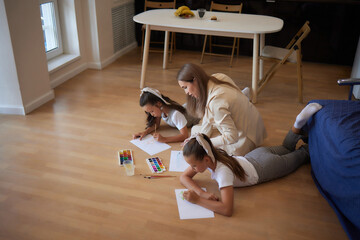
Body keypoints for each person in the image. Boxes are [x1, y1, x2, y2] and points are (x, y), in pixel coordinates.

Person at [180, 103, 323, 216]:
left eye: (193, 166)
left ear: (205, 159)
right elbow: (184, 177)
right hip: (256, 154)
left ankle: (311, 135)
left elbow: (227, 210)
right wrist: (201, 192)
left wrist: (198, 200)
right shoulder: (212, 153)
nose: (192, 169)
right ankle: (297, 124)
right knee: (286, 148)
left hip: (266, 167)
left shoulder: (222, 173)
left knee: (304, 154)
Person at [177, 63, 266, 156]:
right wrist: (198, 139)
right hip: (253, 124)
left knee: (209, 150)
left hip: (247, 137)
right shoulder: (217, 77)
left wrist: (204, 143)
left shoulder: (216, 102)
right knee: (195, 131)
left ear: (195, 80)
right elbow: (208, 119)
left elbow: (232, 137)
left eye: (185, 87)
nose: (186, 92)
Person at [133, 87, 199, 143]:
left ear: (159, 104)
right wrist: (145, 132)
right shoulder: (161, 110)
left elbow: (185, 135)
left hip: (198, 112)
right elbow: (156, 125)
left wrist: (164, 139)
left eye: (152, 111)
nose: (151, 114)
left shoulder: (175, 115)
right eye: (149, 112)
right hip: (189, 108)